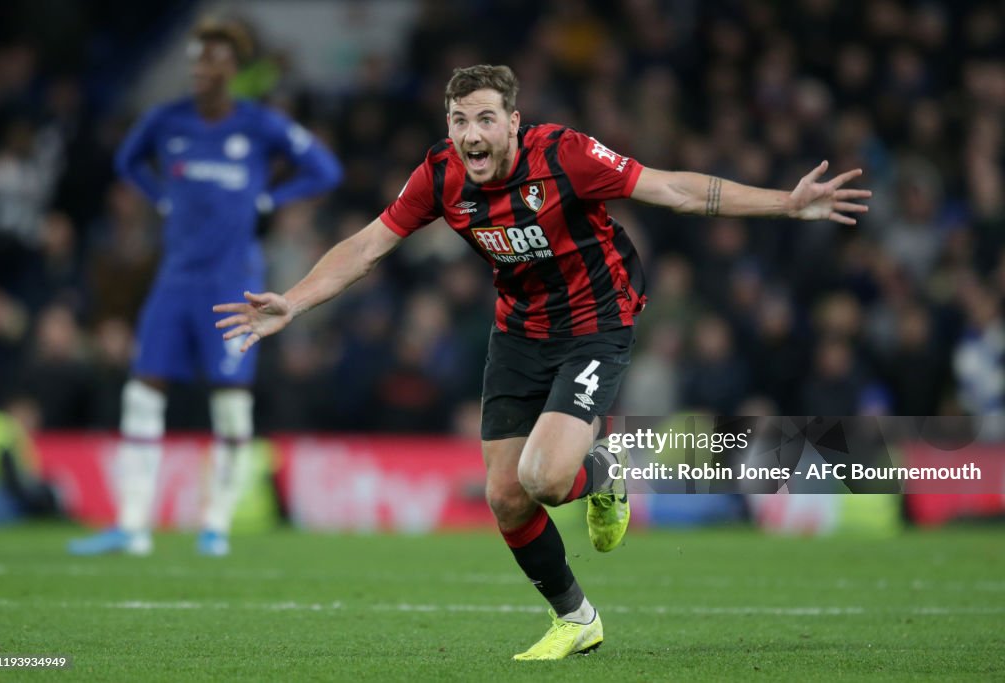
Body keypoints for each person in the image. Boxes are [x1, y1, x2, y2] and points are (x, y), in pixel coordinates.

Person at [214, 65, 870, 658]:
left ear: (513, 123)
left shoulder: (566, 155)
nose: (471, 133)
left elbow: (670, 188)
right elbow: (367, 246)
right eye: (459, 120)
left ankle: (603, 468)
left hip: (595, 325)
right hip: (519, 333)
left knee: (546, 479)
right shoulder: (440, 175)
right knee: (505, 496)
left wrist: (784, 202)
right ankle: (577, 618)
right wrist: (293, 302)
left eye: (485, 119)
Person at [68, 19, 343, 557]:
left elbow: (325, 170)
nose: (201, 68)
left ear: (234, 70)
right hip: (175, 279)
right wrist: (162, 196)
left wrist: (268, 200)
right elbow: (126, 161)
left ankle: (215, 524)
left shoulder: (262, 125)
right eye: (196, 58)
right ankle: (131, 526)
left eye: (213, 59)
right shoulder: (166, 121)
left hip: (233, 283)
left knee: (231, 402)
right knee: (142, 391)